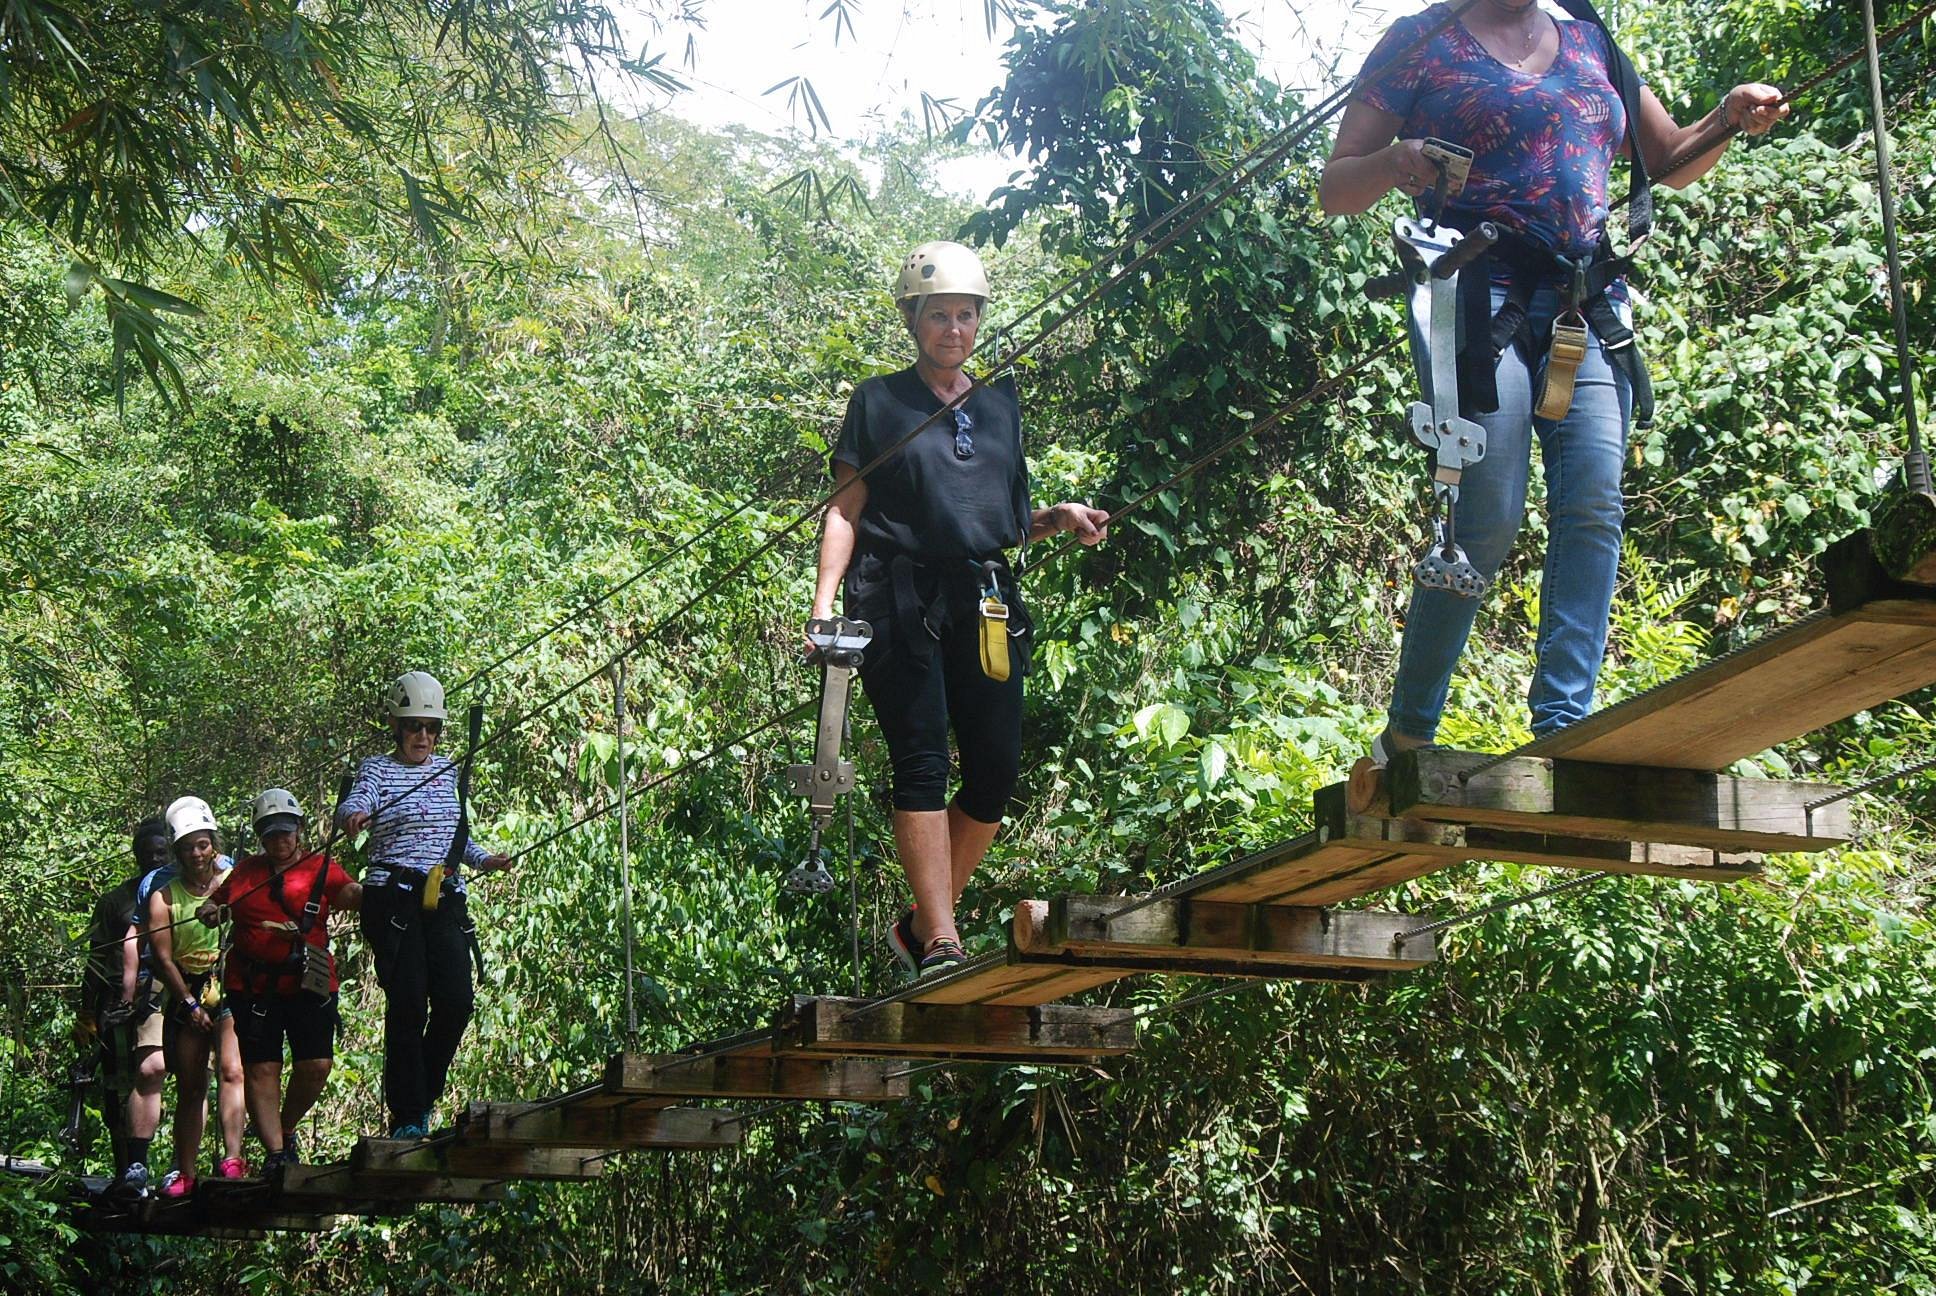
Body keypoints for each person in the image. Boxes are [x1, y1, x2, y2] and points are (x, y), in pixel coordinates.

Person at [1318, 0, 1786, 767]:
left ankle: (1566, 725)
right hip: (1474, 292)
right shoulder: (1422, 39)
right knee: (1486, 517)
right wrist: (1396, 163)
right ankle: (1409, 733)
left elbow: (1666, 159)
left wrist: (1729, 117)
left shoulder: (1588, 35)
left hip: (1583, 297)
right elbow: (1337, 186)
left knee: (1595, 499)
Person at [809, 241, 1110, 979]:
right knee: (922, 759)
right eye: (938, 315)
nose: (953, 328)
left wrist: (1056, 517)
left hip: (985, 600)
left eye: (965, 316)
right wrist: (823, 608)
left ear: (980, 323)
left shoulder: (1000, 406)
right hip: (896, 596)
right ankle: (942, 939)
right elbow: (846, 509)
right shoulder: (879, 402)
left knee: (995, 772)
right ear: (914, 321)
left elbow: (996, 522)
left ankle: (917, 925)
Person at [337, 670, 509, 1139]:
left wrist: (483, 859)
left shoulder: (447, 769)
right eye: (415, 726)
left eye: (432, 729)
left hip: (444, 897)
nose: (424, 737)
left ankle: (425, 1094)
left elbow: (455, 835)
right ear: (396, 725)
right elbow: (357, 800)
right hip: (393, 899)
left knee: (456, 1000)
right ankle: (409, 1113)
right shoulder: (378, 768)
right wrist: (355, 815)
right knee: (409, 1002)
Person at [199, 789, 361, 1171]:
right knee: (262, 1067)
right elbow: (218, 902)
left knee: (316, 1064)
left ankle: (285, 1129)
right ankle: (276, 1154)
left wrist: (375, 892)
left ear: (299, 830)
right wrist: (211, 910)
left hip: (310, 978)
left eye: (286, 832)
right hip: (253, 984)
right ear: (261, 836)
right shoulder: (246, 873)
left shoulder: (320, 867)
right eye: (271, 834)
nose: (280, 840)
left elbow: (349, 893)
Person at [145, 795, 246, 1196]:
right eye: (188, 847)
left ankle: (233, 1158)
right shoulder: (164, 897)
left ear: (212, 842)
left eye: (202, 844)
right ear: (178, 851)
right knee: (190, 1083)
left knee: (232, 1070)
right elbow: (163, 957)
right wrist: (187, 1002)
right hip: (186, 986)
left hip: (228, 981)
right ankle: (184, 1170)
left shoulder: (233, 883)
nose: (197, 853)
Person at [71, 816, 170, 1179]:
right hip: (117, 1004)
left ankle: (170, 1171)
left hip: (165, 998)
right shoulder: (116, 901)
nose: (156, 859)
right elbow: (96, 959)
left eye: (162, 851)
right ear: (138, 857)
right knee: (117, 1088)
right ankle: (125, 1170)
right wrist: (86, 1012)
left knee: (167, 1079)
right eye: (149, 853)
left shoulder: (179, 891)